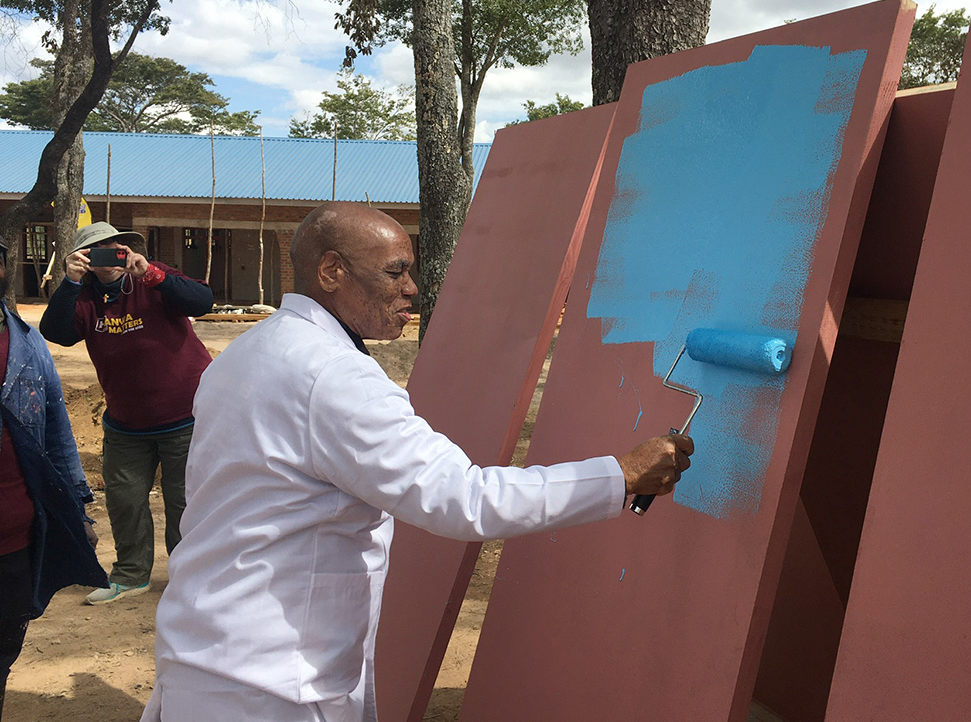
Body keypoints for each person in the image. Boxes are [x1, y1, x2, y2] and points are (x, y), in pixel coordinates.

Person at [141, 202, 692, 722]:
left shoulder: (249, 352)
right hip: (270, 682)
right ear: (332, 271)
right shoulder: (332, 376)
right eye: (394, 272)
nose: (412, 289)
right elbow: (464, 499)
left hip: (208, 648)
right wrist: (619, 476)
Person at [40, 222, 213, 606]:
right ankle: (131, 575)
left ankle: (187, 577)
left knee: (183, 500)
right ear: (86, 259)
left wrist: (150, 273)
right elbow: (57, 333)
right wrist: (68, 282)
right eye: (100, 250)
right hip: (126, 423)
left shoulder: (155, 277)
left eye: (118, 246)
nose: (113, 254)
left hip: (184, 415)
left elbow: (203, 301)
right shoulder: (82, 297)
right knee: (125, 500)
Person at [0, 236, 109, 716]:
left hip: (18, 536)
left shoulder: (26, 344)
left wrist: (79, 507)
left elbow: (57, 431)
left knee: (4, 650)